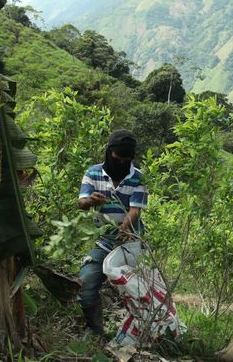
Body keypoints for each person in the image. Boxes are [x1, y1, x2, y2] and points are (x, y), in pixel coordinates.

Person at [76, 129, 148, 335]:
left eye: (127, 159)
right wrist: (91, 201)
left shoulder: (139, 177)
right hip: (103, 241)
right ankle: (95, 330)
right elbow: (81, 202)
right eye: (118, 157)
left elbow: (135, 209)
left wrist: (126, 226)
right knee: (86, 282)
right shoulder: (93, 173)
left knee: (140, 288)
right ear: (109, 153)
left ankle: (140, 332)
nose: (122, 162)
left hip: (132, 240)